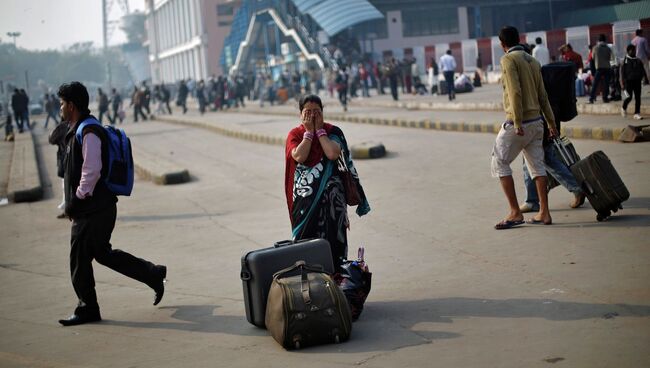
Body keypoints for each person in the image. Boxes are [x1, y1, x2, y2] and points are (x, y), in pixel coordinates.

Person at [56, 81, 167, 326]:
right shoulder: (80, 128)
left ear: (72, 105)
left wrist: (77, 200)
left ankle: (87, 309)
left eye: (62, 104)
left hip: (94, 209)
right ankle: (153, 273)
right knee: (101, 254)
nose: (60, 108)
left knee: (78, 259)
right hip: (97, 208)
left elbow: (91, 171)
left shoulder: (89, 132)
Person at [284, 94, 370, 267]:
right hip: (305, 203)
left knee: (335, 244)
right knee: (306, 244)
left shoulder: (333, 132)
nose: (313, 116)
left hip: (333, 203)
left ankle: (336, 282)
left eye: (317, 112)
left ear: (323, 113)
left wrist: (320, 132)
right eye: (308, 112)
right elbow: (300, 156)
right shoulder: (295, 134)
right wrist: (309, 133)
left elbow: (332, 153)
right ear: (300, 115)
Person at [491, 26, 558, 229]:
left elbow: (515, 92)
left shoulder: (508, 60)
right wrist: (551, 123)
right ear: (518, 39)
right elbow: (543, 95)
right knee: (537, 167)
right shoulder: (533, 60)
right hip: (537, 123)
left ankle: (514, 212)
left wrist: (517, 122)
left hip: (518, 124)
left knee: (499, 162)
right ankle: (544, 213)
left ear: (503, 45)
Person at [620, 44, 648, 120]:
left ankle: (637, 113)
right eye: (633, 50)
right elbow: (622, 73)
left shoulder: (638, 60)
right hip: (628, 82)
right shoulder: (625, 61)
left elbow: (643, 70)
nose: (634, 52)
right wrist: (622, 83)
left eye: (635, 50)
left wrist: (645, 79)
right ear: (629, 51)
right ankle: (623, 108)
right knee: (629, 97)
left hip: (637, 81)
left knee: (638, 98)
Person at [589, 34, 614, 104]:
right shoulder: (608, 48)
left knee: (595, 84)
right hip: (607, 67)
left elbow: (593, 58)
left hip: (599, 67)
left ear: (598, 40)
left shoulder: (595, 48)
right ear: (605, 40)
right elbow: (609, 58)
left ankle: (591, 98)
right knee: (606, 84)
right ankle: (605, 98)